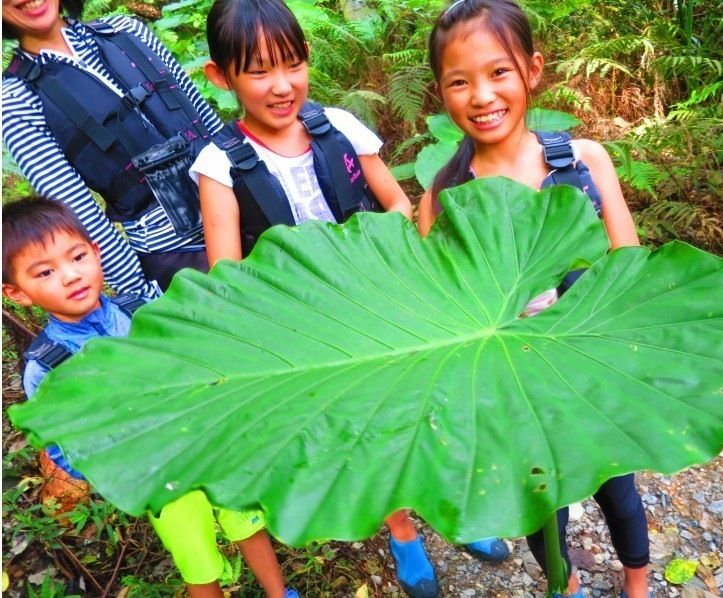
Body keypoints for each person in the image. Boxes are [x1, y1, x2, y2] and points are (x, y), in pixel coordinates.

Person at [189, 1, 506, 595]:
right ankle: (404, 532)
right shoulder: (219, 166)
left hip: (387, 303)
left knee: (427, 412)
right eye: (258, 71)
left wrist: (392, 269)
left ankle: (458, 510)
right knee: (372, 432)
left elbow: (395, 203)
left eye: (291, 64)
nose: (281, 86)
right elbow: (226, 275)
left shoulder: (338, 127)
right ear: (220, 77)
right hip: (316, 334)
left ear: (307, 59)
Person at [419, 2, 651, 598]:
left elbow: (629, 269)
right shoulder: (444, 198)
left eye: (498, 72)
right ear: (441, 93)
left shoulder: (582, 162)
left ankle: (638, 583)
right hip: (508, 388)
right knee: (541, 508)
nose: (481, 95)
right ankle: (565, 585)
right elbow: (441, 311)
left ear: (532, 71)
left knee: (616, 491)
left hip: (585, 371)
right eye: (459, 81)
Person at [2, 196, 299, 598]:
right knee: (195, 558)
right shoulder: (48, 365)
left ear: (96, 252)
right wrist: (116, 470)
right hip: (158, 478)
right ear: (17, 292)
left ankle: (279, 594)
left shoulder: (141, 309)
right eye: (46, 272)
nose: (71, 276)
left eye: (76, 257)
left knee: (248, 523)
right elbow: (58, 443)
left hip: (207, 445)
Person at [2, 0, 224, 297]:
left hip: (238, 206)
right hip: (175, 254)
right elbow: (80, 213)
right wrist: (140, 293)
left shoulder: (126, 31)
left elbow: (206, 121)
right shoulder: (16, 98)